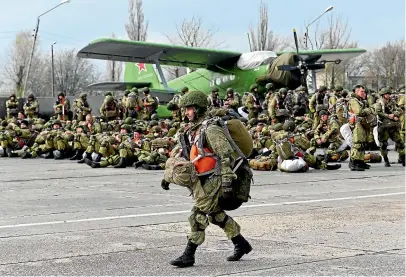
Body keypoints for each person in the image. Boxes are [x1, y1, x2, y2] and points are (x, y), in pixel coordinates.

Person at [162, 90, 252, 268]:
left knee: (198, 214)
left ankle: (189, 254)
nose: (185, 112)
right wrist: (168, 176)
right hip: (202, 178)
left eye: (189, 109)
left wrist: (226, 182)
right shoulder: (192, 130)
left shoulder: (210, 129)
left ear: (198, 108)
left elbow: (225, 154)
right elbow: (183, 154)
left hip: (216, 177)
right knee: (216, 215)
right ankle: (241, 244)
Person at [375, 88, 405, 166]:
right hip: (383, 126)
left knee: (400, 142)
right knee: (383, 144)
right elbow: (378, 112)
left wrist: (395, 114)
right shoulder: (379, 102)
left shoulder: (392, 102)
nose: (388, 95)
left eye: (389, 94)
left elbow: (399, 110)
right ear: (383, 95)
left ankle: (403, 159)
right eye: (386, 94)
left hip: (392, 126)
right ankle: (386, 160)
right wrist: (388, 116)